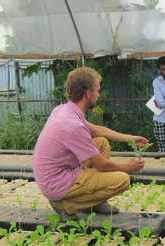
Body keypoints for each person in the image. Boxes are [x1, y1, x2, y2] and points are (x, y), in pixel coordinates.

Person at [33, 67, 148, 220]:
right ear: (88, 93)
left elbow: (99, 131)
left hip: (57, 173)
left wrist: (130, 138)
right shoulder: (73, 126)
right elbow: (102, 165)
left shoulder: (64, 110)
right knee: (122, 180)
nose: (98, 94)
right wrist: (128, 167)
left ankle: (95, 203)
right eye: (97, 90)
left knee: (101, 143)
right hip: (56, 182)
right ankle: (66, 206)